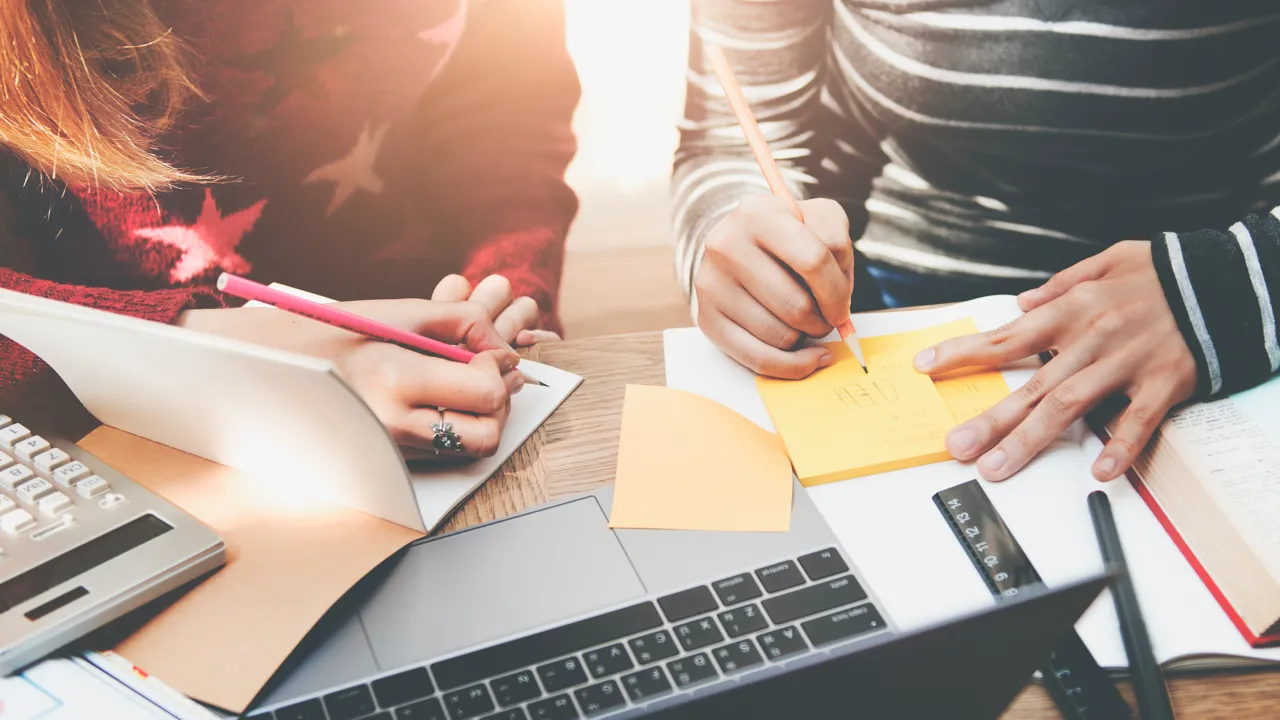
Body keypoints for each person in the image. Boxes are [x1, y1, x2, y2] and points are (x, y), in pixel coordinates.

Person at [673, 2, 1280, 482]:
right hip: (891, 302)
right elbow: (734, 137)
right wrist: (741, 252)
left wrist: (1226, 282)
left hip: (1207, 308)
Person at [0, 0, 580, 458]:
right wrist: (235, 361)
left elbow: (509, 109)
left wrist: (504, 280)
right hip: (115, 433)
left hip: (447, 374)